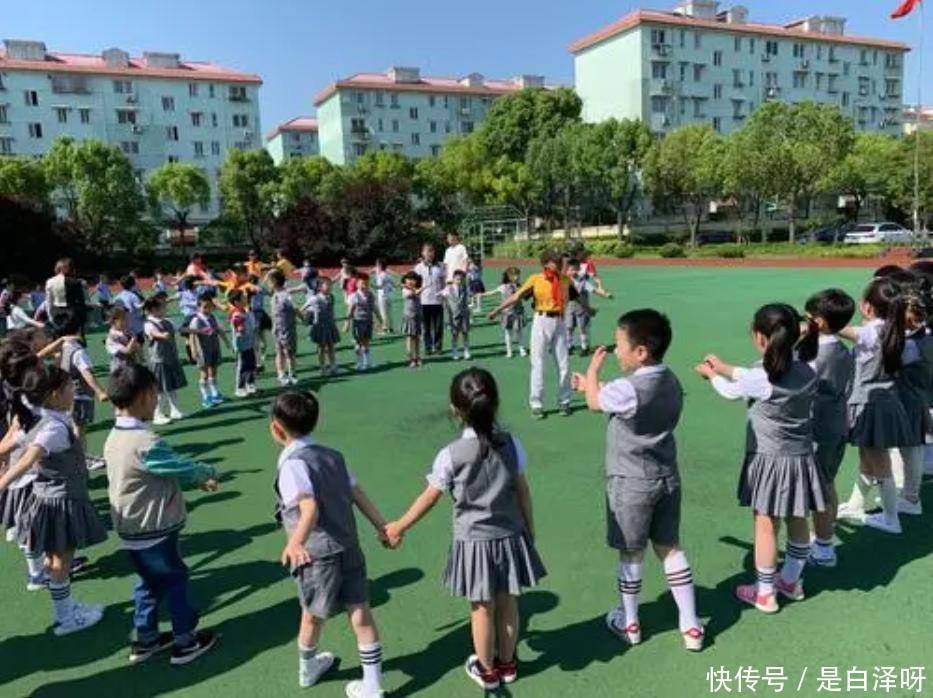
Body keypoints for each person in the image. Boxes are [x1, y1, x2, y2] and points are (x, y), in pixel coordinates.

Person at [385, 368, 546, 690]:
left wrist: (399, 525)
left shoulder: (450, 455)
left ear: (455, 410)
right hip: (510, 535)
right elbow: (523, 491)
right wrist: (530, 528)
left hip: (474, 543)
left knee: (482, 608)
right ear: (495, 403)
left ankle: (486, 670)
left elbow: (430, 497)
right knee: (509, 602)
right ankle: (508, 664)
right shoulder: (512, 444)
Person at [573, 309, 704, 651]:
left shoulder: (626, 387)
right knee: (670, 548)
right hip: (666, 475)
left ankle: (629, 622)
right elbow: (619, 400)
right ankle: (691, 625)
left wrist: (591, 374)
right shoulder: (670, 379)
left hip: (630, 481)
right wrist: (594, 388)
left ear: (641, 351)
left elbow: (595, 403)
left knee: (631, 553)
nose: (615, 350)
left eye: (620, 344)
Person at [697, 304, 823, 614]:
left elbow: (732, 390)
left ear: (760, 336)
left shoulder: (761, 376)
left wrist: (712, 375)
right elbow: (747, 375)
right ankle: (790, 580)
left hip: (769, 460)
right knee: (797, 518)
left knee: (765, 524)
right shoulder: (808, 369)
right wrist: (723, 368)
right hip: (800, 458)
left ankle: (765, 592)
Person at [270, 391, 390, 695]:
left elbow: (309, 508)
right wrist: (381, 525)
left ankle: (307, 669)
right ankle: (373, 684)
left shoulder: (292, 465)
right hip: (348, 544)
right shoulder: (333, 455)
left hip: (316, 553)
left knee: (312, 614)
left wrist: (295, 542)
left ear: (276, 429)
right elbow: (356, 492)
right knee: (360, 611)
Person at [104, 364, 219, 664]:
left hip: (130, 528)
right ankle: (185, 641)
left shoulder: (114, 436)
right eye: (155, 394)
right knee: (175, 580)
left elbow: (159, 471)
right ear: (144, 396)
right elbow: (176, 466)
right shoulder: (145, 442)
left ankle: (146, 639)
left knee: (147, 583)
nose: (157, 399)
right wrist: (206, 471)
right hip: (154, 527)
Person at [0, 364, 107, 635]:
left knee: (53, 560)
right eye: (70, 386)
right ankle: (67, 618)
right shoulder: (53, 428)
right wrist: (2, 483)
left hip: (48, 498)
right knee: (61, 561)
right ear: (55, 394)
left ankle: (66, 608)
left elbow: (11, 445)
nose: (74, 390)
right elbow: (28, 459)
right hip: (61, 501)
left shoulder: (37, 417)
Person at [835, 278, 911, 534]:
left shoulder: (871, 332)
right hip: (881, 402)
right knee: (868, 457)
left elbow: (839, 327)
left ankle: (891, 518)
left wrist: (819, 319)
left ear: (868, 306)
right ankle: (856, 504)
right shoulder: (893, 329)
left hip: (870, 404)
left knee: (879, 463)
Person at [489, 250, 585, 419]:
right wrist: (497, 310)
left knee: (564, 363)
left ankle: (564, 401)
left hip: (560, 321)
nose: (560, 263)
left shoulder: (565, 280)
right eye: (555, 261)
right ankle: (536, 404)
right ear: (546, 263)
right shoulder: (536, 279)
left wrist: (589, 309)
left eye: (560, 261)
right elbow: (517, 296)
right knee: (538, 363)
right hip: (541, 321)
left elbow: (576, 297)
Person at [801, 289, 856, 568]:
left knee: (818, 490)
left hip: (817, 428)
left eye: (807, 317)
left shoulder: (815, 356)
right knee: (827, 482)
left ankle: (823, 548)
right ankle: (825, 537)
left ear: (819, 321)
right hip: (837, 424)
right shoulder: (843, 350)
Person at [895, 284, 932, 515]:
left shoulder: (911, 345)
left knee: (909, 449)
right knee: (913, 448)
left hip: (908, 399)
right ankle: (908, 495)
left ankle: (909, 497)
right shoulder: (925, 338)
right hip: (918, 397)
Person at [59, 315, 110, 468]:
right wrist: (100, 391)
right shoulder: (78, 351)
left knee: (77, 427)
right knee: (79, 429)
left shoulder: (64, 347)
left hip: (69, 393)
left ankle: (82, 456)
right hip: (80, 394)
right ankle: (81, 460)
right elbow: (87, 373)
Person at [143, 296, 187, 425]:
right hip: (159, 360)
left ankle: (175, 410)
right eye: (163, 307)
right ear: (154, 309)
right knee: (160, 389)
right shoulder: (148, 324)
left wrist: (199, 330)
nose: (166, 309)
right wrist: (162, 335)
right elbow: (153, 333)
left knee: (171, 386)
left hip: (171, 358)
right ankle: (157, 414)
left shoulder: (167, 321)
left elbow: (181, 329)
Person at [188, 294, 231, 409]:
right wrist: (193, 350)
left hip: (214, 347)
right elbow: (192, 335)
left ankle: (215, 393)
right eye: (205, 307)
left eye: (210, 306)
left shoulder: (213, 317)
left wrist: (227, 342)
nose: (207, 309)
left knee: (213, 370)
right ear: (198, 307)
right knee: (204, 373)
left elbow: (220, 330)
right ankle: (205, 397)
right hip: (202, 350)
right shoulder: (196, 320)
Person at [565, 258, 612, 356]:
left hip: (581, 308)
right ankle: (569, 345)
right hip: (569, 308)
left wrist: (605, 294)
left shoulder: (582, 281)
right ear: (567, 270)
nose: (573, 272)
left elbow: (593, 290)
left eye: (575, 269)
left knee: (582, 328)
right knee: (569, 327)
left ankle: (584, 347)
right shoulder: (564, 280)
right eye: (571, 270)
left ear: (579, 269)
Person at [478, 267, 527, 359]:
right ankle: (509, 351)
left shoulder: (520, 286)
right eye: (515, 275)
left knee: (520, 332)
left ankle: (522, 350)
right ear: (509, 276)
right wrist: (482, 294)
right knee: (508, 333)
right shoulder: (503, 287)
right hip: (507, 313)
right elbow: (493, 292)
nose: (517, 277)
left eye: (518, 275)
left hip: (518, 312)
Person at [267, 269, 301, 386]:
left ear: (274, 282)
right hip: (277, 328)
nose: (268, 284)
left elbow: (295, 308)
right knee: (279, 351)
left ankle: (292, 374)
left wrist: (303, 318)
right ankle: (281, 374)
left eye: (269, 282)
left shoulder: (285, 295)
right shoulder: (275, 295)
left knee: (289, 352)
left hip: (287, 328)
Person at [302, 277, 340, 377]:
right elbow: (303, 309)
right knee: (321, 347)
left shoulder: (332, 297)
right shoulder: (314, 299)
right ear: (319, 287)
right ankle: (322, 367)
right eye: (327, 285)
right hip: (319, 326)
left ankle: (333, 366)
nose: (330, 287)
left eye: (330, 285)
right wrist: (305, 318)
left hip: (330, 325)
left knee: (331, 346)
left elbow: (332, 311)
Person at [414, 244, 446, 356]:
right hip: (424, 301)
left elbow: (443, 282)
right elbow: (415, 284)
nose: (430, 253)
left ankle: (438, 347)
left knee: (438, 326)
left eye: (432, 251)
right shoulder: (418, 267)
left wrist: (444, 295)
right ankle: (428, 347)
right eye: (428, 251)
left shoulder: (440, 266)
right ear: (423, 253)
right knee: (426, 327)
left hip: (437, 300)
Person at [228, 290, 258, 398]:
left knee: (251, 364)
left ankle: (250, 383)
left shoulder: (246, 311)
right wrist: (240, 328)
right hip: (242, 345)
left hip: (249, 343)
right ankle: (240, 387)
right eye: (243, 298)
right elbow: (239, 329)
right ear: (237, 302)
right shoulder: (237, 315)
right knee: (243, 366)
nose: (246, 299)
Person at [344, 273, 376, 371]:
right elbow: (350, 311)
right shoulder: (354, 296)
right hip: (358, 322)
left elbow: (374, 308)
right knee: (358, 343)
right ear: (357, 284)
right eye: (362, 283)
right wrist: (347, 323)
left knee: (366, 342)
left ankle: (367, 362)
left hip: (368, 321)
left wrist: (380, 319)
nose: (364, 286)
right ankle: (359, 362)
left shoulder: (371, 295)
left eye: (367, 283)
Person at [441, 269, 472, 361]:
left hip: (464, 314)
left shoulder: (465, 288)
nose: (459, 281)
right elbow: (443, 299)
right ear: (453, 279)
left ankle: (466, 350)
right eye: (457, 279)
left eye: (461, 279)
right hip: (453, 315)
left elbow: (468, 299)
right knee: (455, 334)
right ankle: (455, 351)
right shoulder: (448, 288)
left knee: (465, 333)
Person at [246, 274, 272, 372]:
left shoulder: (258, 288)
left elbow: (269, 293)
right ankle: (259, 357)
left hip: (259, 314)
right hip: (253, 313)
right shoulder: (249, 288)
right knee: (258, 337)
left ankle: (261, 355)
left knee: (260, 337)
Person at [106, 306, 141, 374]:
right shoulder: (112, 337)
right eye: (124, 319)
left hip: (130, 366)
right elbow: (127, 351)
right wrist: (133, 339)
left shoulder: (124, 332)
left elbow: (135, 347)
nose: (127, 322)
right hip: (120, 369)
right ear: (115, 321)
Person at [400, 272, 424, 369]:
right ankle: (411, 358)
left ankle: (418, 356)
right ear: (405, 280)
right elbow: (410, 294)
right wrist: (419, 290)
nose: (410, 281)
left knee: (417, 338)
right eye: (408, 279)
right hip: (409, 317)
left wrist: (419, 289)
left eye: (413, 279)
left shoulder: (416, 289)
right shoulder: (405, 290)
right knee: (410, 338)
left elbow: (417, 296)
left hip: (417, 316)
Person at [115, 275, 146, 343]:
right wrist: (146, 303)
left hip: (123, 329)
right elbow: (138, 307)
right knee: (138, 347)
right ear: (133, 285)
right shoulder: (133, 296)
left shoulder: (117, 297)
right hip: (136, 328)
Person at [372, 260, 395, 335]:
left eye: (377, 265)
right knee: (389, 312)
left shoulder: (381, 275)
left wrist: (372, 285)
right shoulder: (388, 274)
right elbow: (393, 284)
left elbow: (380, 286)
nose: (376, 267)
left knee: (383, 313)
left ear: (380, 266)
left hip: (382, 296)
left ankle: (384, 329)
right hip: (390, 295)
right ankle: (391, 328)